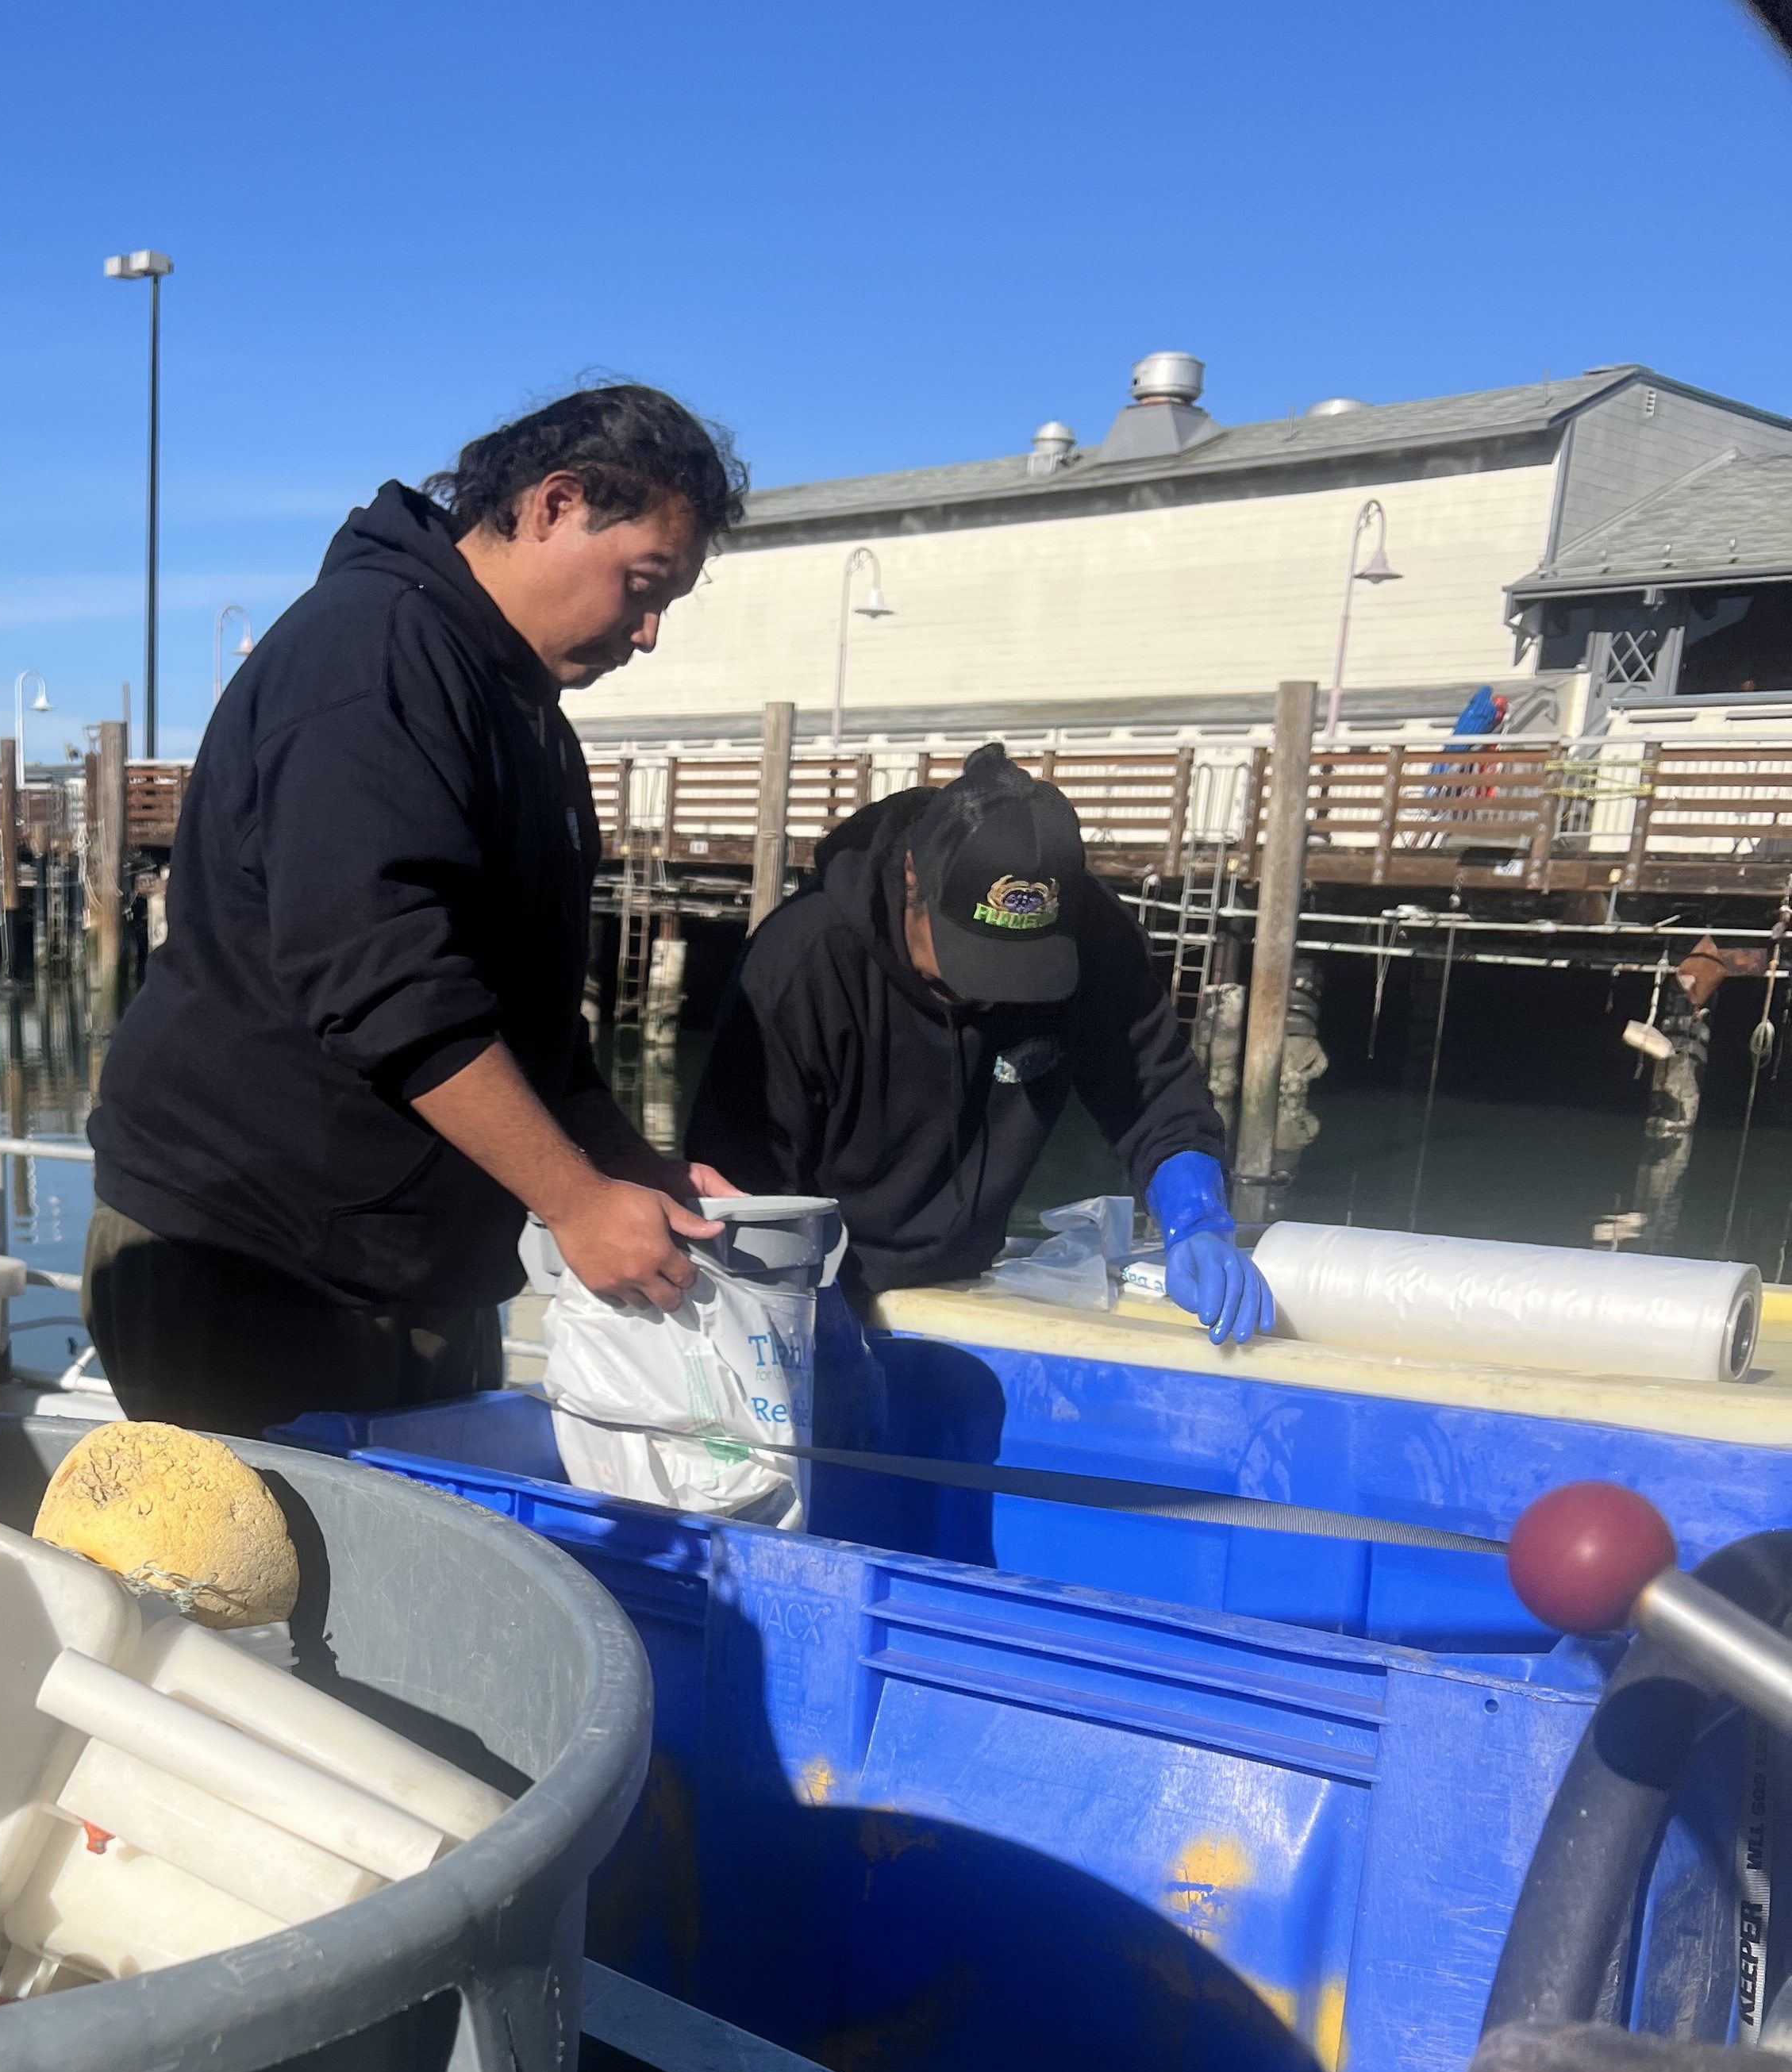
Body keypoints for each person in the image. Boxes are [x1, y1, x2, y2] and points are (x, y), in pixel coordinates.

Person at [85, 385, 748, 1434]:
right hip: (247, 1256)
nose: (650, 631)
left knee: (423, 1585)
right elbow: (386, 984)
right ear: (556, 504)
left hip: (416, 1264)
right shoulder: (374, 653)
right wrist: (576, 1204)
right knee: (244, 1590)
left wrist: (628, 1165)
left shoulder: (526, 715)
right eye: (642, 584)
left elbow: (526, 1016)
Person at [684, 747, 1273, 1346]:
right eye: (964, 967)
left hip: (965, 1278)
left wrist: (1195, 1217)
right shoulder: (802, 959)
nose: (989, 999)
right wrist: (801, 1313)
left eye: (1022, 975)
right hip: (815, 1286)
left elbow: (1153, 1092)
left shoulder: (1092, 936)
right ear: (912, 874)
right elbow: (742, 1184)